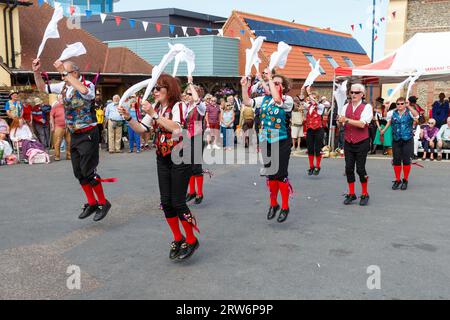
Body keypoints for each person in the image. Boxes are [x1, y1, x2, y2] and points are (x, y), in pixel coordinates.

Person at [119, 74, 200, 261]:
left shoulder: (179, 106)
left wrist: (154, 115)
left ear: (168, 89)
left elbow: (177, 128)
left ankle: (191, 238)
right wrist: (129, 118)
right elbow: (141, 129)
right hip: (162, 156)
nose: (155, 91)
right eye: (154, 88)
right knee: (166, 202)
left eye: (158, 88)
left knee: (178, 201)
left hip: (181, 155)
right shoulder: (156, 108)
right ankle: (178, 238)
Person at [33, 58, 112, 222]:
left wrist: (65, 73)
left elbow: (83, 91)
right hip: (74, 134)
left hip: (88, 133)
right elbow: (42, 87)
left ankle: (103, 203)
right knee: (79, 173)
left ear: (75, 73)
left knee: (88, 172)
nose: (62, 77)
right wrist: (35, 72)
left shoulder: (87, 84)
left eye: (65, 73)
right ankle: (92, 203)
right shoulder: (64, 87)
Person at [241, 69, 294, 223]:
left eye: (277, 83)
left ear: (283, 87)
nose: (274, 85)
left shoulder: (287, 99)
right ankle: (273, 204)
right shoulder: (263, 99)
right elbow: (247, 102)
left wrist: (269, 79)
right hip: (265, 140)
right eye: (273, 82)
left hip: (282, 141)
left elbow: (278, 100)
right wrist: (245, 87)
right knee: (271, 174)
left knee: (281, 174)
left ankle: (285, 206)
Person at [338, 84, 373, 206]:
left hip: (362, 141)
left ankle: (365, 193)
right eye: (352, 92)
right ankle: (351, 193)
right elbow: (342, 124)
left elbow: (362, 124)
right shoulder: (346, 106)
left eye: (356, 93)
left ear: (362, 95)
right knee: (348, 168)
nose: (353, 94)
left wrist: (346, 120)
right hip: (348, 141)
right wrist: (339, 121)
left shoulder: (367, 107)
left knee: (360, 169)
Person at [382, 97, 419, 190]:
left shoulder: (409, 112)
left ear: (405, 104)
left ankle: (405, 180)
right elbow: (385, 117)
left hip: (407, 139)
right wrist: (386, 108)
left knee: (406, 160)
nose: (400, 105)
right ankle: (397, 180)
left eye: (402, 104)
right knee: (396, 160)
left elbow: (417, 115)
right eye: (398, 104)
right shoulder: (393, 113)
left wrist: (409, 106)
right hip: (396, 139)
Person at [184, 76, 207, 205]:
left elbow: (197, 100)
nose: (186, 95)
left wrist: (190, 84)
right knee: (188, 165)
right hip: (187, 137)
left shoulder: (200, 106)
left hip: (197, 137)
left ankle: (200, 193)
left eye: (189, 93)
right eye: (186, 93)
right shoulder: (187, 107)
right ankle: (191, 191)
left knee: (196, 166)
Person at [301, 86, 325, 176]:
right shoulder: (309, 106)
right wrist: (302, 92)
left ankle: (317, 166)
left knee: (317, 149)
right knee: (310, 149)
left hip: (318, 129)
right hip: (310, 129)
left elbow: (316, 103)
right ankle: (311, 166)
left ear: (317, 99)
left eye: (314, 98)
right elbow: (302, 101)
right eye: (311, 97)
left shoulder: (320, 106)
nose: (312, 99)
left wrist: (309, 93)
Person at [50, 95, 71, 161]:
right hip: (58, 126)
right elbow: (51, 116)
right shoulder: (55, 107)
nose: (62, 100)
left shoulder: (68, 106)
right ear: (58, 100)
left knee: (69, 142)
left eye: (62, 98)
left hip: (68, 126)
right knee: (57, 142)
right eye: (60, 99)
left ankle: (69, 155)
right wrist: (53, 126)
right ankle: (57, 156)